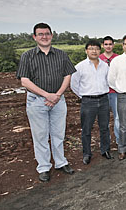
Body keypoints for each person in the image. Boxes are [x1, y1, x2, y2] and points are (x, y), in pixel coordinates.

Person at [16, 23, 75, 182]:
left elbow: (67, 76)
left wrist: (57, 94)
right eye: (40, 34)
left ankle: (61, 162)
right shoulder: (27, 56)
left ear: (52, 35)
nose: (44, 36)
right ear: (34, 37)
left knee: (58, 133)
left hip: (59, 100)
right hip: (37, 101)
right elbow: (25, 81)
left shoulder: (61, 55)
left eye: (47, 33)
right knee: (40, 135)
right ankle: (44, 167)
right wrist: (46, 95)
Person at [71, 40, 112, 165]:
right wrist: (84, 96)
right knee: (86, 129)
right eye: (91, 48)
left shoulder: (105, 66)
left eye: (96, 49)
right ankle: (87, 153)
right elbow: (74, 84)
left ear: (100, 51)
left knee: (104, 127)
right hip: (88, 101)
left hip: (104, 99)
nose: (94, 51)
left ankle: (105, 150)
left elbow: (108, 81)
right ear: (86, 51)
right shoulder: (79, 67)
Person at [99, 36, 120, 144]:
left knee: (118, 118)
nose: (108, 46)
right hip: (102, 92)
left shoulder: (118, 58)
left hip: (115, 92)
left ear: (113, 45)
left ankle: (119, 140)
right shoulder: (98, 58)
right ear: (103, 45)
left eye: (110, 44)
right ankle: (105, 142)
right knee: (104, 119)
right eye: (106, 44)